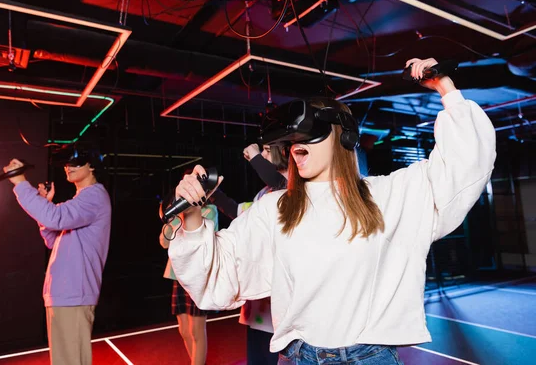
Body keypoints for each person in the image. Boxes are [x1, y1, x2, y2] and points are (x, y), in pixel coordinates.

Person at [167, 58, 497, 364]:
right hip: (302, 357)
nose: (295, 145)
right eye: (290, 139)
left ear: (343, 136)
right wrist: (193, 219)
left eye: (307, 133)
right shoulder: (275, 210)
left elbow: (463, 166)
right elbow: (218, 274)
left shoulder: (388, 196)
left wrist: (446, 88)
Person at [3, 150, 111, 365]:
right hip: (65, 293)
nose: (68, 167)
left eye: (76, 163)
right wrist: (46, 206)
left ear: (93, 166)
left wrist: (21, 183)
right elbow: (53, 239)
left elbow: (55, 217)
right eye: (66, 164)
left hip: (73, 293)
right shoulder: (78, 202)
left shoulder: (94, 196)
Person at [210, 143, 287, 364]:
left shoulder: (295, 187)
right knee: (258, 359)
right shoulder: (264, 193)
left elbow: (280, 182)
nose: (261, 154)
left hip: (282, 301)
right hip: (260, 303)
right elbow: (237, 212)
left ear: (282, 152)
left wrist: (254, 156)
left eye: (266, 149)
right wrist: (214, 194)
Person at [159, 192, 219, 365]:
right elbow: (164, 243)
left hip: (197, 276)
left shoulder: (209, 210)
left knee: (196, 331)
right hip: (178, 276)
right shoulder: (176, 213)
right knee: (184, 330)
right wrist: (169, 221)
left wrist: (183, 217)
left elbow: (206, 239)